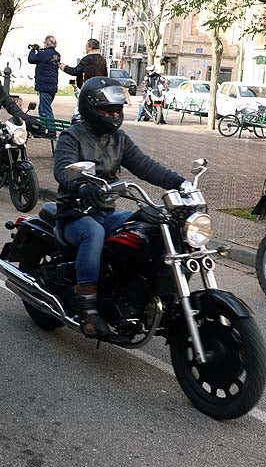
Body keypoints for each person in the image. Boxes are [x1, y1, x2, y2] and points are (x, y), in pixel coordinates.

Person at [53, 76, 187, 338]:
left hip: (106, 212)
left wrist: (179, 182)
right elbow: (62, 168)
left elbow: (145, 166)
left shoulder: (119, 139)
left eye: (118, 109)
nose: (114, 115)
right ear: (90, 109)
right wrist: (80, 184)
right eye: (108, 110)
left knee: (154, 224)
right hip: (74, 214)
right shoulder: (72, 136)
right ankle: (88, 307)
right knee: (93, 234)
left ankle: (138, 295)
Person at [28, 36, 61, 123]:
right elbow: (46, 60)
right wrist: (39, 51)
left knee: (45, 110)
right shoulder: (57, 55)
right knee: (44, 108)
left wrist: (33, 50)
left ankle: (51, 131)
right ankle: (44, 129)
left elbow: (31, 59)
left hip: (44, 86)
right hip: (52, 86)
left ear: (46, 44)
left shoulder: (43, 54)